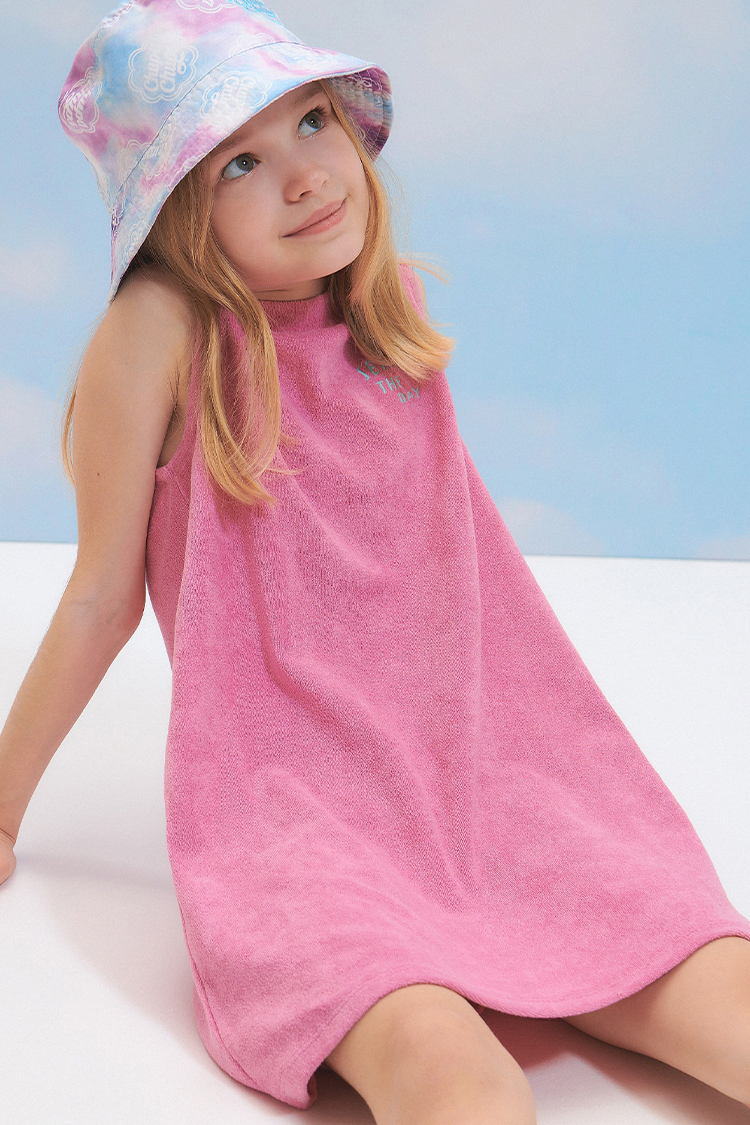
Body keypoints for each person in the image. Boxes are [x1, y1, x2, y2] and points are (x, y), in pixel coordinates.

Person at [1, 2, 749, 1122]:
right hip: (300, 826)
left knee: (726, 1004)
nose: (305, 174)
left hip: (499, 783)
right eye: (239, 162)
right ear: (173, 217)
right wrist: (3, 811)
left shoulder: (383, 313)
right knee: (459, 1080)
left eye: (313, 121)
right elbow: (100, 596)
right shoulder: (161, 330)